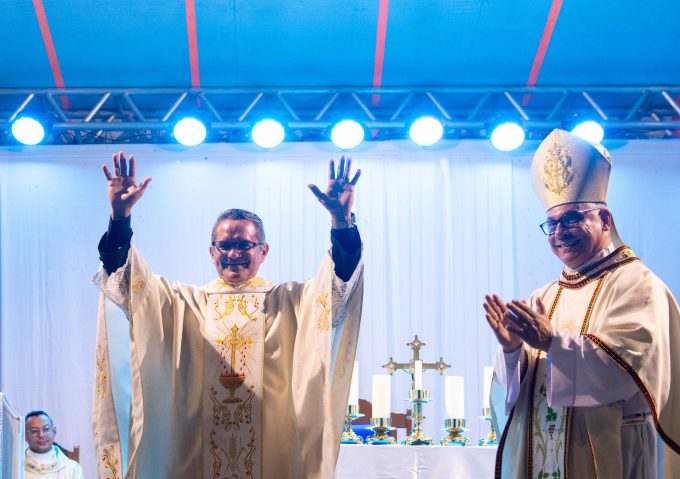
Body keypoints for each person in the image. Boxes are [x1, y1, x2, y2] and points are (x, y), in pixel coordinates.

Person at [92, 152, 364, 479]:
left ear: (263, 251)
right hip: (195, 458)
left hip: (272, 457)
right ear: (212, 252)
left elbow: (339, 282)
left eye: (244, 245)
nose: (233, 253)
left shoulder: (291, 302)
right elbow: (128, 283)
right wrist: (120, 220)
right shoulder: (183, 304)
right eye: (224, 245)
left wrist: (342, 223)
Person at [483, 129, 680, 478]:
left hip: (615, 451)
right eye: (552, 223)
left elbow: (625, 371)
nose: (560, 232)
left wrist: (551, 342)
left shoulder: (638, 285)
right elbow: (515, 394)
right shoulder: (544, 296)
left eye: (572, 218)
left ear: (605, 220)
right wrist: (512, 351)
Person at [24, 411, 84, 479]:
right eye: (35, 431)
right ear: (25, 435)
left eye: (46, 429)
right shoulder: (16, 467)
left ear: (54, 432)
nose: (41, 435)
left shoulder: (73, 468)